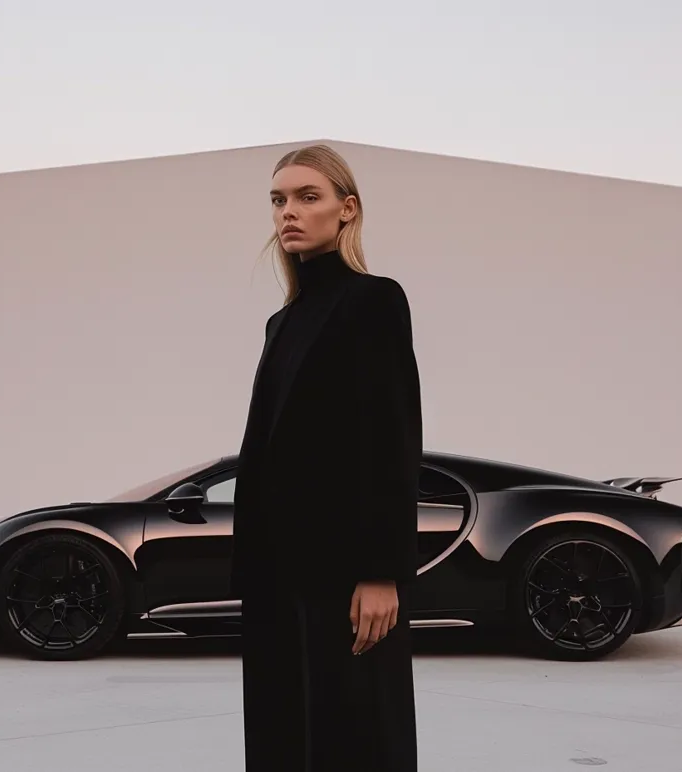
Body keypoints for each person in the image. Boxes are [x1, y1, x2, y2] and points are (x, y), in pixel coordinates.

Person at [230, 143, 423, 771]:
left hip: (344, 576)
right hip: (275, 574)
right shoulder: (282, 322)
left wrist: (381, 572)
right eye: (278, 199)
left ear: (348, 209)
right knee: (282, 737)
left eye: (307, 197)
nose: (288, 212)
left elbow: (390, 438)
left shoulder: (373, 300)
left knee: (355, 739)